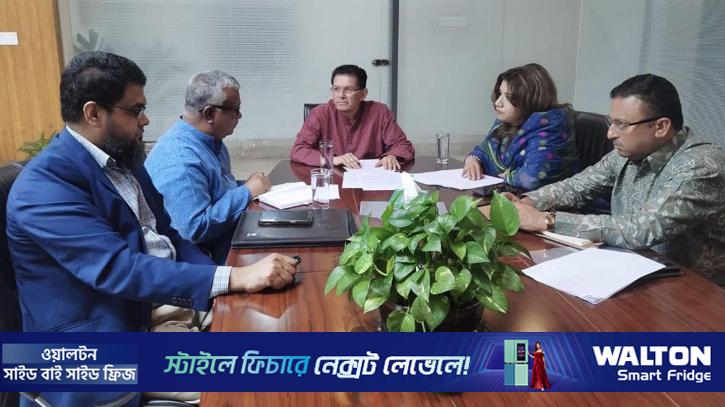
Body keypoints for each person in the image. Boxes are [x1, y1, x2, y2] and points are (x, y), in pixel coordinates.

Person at [6, 52, 298, 407]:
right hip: (109, 343)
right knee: (271, 381)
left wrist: (221, 284)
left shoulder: (123, 159)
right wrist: (234, 278)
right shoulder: (44, 187)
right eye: (135, 110)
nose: (145, 120)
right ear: (93, 113)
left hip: (166, 307)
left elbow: (171, 236)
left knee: (289, 328)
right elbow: (118, 269)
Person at [496, 74, 725, 285]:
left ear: (661, 127)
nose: (610, 133)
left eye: (621, 125)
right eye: (611, 122)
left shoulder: (701, 166)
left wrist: (545, 220)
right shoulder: (628, 152)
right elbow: (577, 186)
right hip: (634, 267)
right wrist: (527, 202)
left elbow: (642, 228)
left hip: (695, 290)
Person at [145, 70, 270, 265]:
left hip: (228, 239)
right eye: (235, 110)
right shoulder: (181, 158)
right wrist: (246, 191)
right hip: (204, 260)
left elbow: (216, 191)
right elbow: (194, 229)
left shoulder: (211, 141)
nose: (240, 116)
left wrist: (247, 186)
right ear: (209, 113)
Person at [462, 63, 578, 191]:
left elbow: (531, 179)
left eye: (508, 97)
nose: (498, 103)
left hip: (540, 200)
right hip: (507, 195)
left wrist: (508, 177)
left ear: (531, 100)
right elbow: (485, 150)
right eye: (499, 94)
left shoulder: (550, 130)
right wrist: (474, 158)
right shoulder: (505, 123)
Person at [290, 64, 415, 171]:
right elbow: (298, 150)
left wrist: (392, 156)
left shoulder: (379, 112)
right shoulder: (319, 114)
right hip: (333, 179)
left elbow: (403, 145)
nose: (340, 95)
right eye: (336, 89)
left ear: (363, 94)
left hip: (371, 179)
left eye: (348, 89)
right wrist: (332, 159)